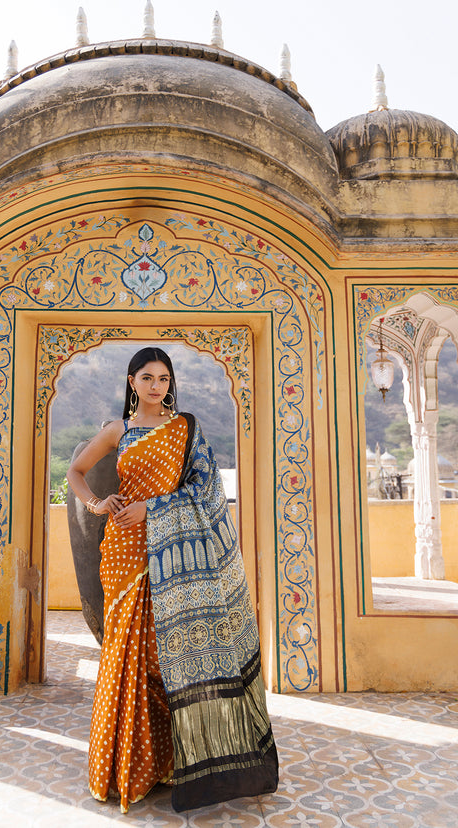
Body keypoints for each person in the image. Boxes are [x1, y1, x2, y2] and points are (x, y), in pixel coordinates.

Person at [66, 347, 278, 813]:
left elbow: (205, 490)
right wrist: (98, 505)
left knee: (171, 658)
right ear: (131, 382)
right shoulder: (117, 430)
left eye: (163, 378)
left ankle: (175, 761)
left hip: (174, 554)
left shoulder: (186, 428)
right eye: (147, 377)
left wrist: (153, 509)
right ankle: (130, 767)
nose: (156, 385)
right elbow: (76, 471)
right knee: (127, 659)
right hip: (124, 556)